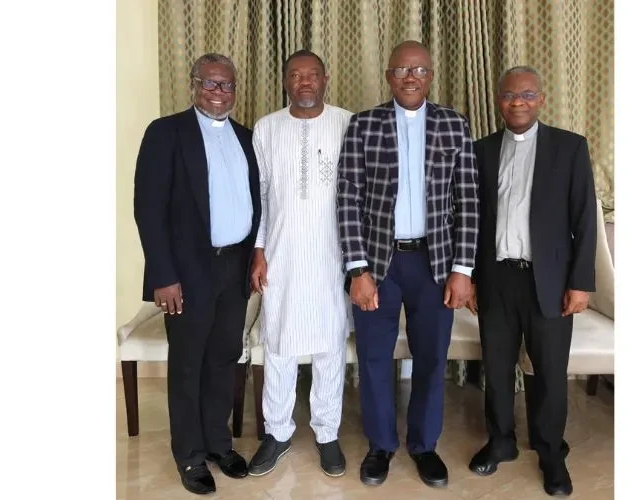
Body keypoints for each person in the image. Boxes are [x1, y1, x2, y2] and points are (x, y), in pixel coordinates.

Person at [337, 40, 480, 488]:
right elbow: (348, 198)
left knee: (431, 358)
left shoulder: (454, 125)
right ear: (389, 75)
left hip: (435, 264)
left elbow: (469, 200)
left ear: (430, 75)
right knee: (375, 357)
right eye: (402, 69)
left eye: (419, 69)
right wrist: (357, 269)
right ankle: (381, 446)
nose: (410, 76)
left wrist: (464, 269)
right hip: (379, 263)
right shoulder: (364, 125)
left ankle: (424, 446)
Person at [466, 65, 597, 497]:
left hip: (551, 282)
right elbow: (471, 219)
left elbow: (584, 220)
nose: (517, 102)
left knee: (550, 373)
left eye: (526, 95)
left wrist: (580, 283)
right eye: (508, 95)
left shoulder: (569, 148)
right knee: (498, 368)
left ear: (540, 99)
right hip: (496, 278)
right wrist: (468, 277)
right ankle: (500, 441)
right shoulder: (481, 150)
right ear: (498, 100)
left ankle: (549, 452)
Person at [133, 52, 260, 495]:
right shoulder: (166, 132)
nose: (219, 92)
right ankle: (189, 457)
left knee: (223, 359)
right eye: (210, 83)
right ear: (194, 84)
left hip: (234, 265)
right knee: (188, 365)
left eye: (227, 85)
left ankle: (218, 444)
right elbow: (148, 210)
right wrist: (163, 276)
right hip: (186, 273)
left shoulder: (246, 138)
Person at [247, 49, 353, 478]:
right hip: (281, 254)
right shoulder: (267, 128)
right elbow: (262, 197)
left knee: (330, 345)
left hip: (333, 255)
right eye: (296, 75)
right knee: (278, 343)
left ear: (326, 78)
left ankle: (327, 433)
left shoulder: (348, 123)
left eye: (312, 74)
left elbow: (356, 194)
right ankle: (277, 432)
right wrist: (258, 250)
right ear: (286, 81)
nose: (305, 81)